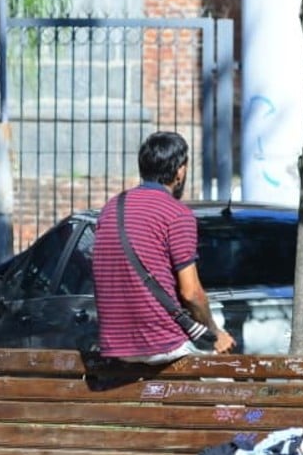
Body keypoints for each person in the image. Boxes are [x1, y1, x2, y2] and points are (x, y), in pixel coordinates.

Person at [92, 131, 236, 363]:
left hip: (116, 344)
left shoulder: (111, 208)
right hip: (163, 343)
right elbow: (191, 293)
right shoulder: (176, 214)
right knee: (229, 391)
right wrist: (214, 333)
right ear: (180, 171)